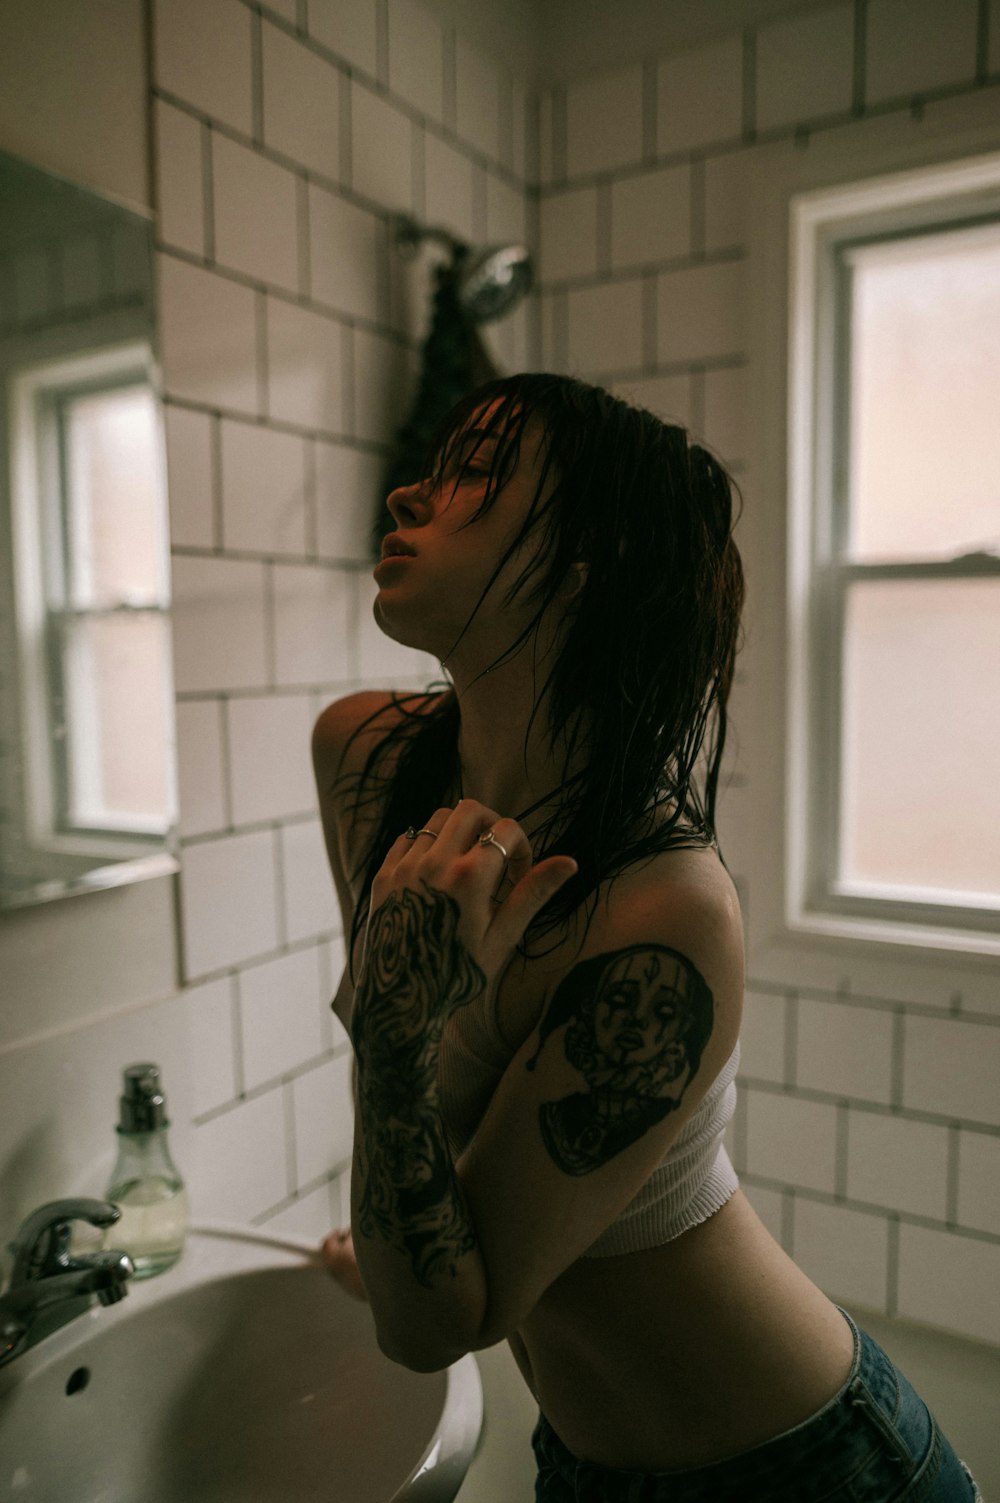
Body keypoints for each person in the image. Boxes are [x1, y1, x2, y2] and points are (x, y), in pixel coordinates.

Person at [311, 374, 980, 1501]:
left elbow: (441, 1319)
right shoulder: (364, 759)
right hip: (583, 1464)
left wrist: (386, 1032)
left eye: (473, 470)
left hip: (805, 1468)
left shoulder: (662, 908)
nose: (408, 492)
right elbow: (444, 1200)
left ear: (583, 568)